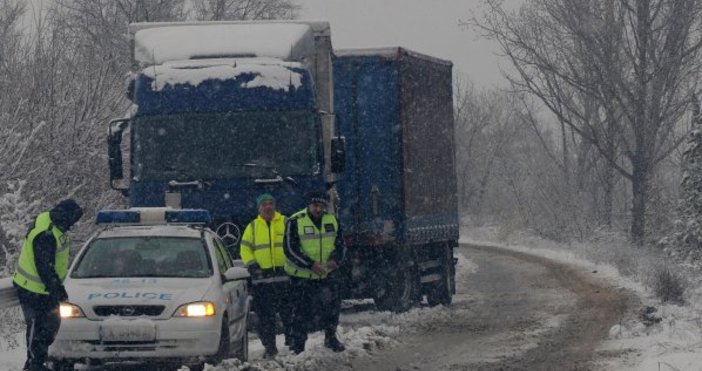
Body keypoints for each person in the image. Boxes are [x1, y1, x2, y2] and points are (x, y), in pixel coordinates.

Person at [13, 199, 83, 371]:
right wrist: (57, 289)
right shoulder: (47, 234)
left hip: (44, 288)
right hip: (31, 288)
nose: (73, 226)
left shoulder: (51, 222)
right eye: (73, 221)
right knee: (38, 327)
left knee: (50, 325)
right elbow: (45, 267)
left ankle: (38, 362)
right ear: (66, 218)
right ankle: (34, 364)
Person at [284, 191, 347, 354]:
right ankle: (298, 344)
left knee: (332, 307)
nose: (318, 209)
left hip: (326, 274)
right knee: (300, 311)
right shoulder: (295, 221)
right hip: (302, 276)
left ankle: (331, 337)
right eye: (315, 205)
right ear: (308, 205)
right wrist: (310, 265)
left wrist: (335, 260)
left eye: (321, 206)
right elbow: (290, 250)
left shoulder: (332, 220)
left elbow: (341, 245)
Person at [239, 193, 292, 358]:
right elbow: (245, 248)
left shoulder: (285, 222)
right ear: (259, 208)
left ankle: (293, 344)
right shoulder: (253, 227)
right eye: (264, 205)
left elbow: (295, 244)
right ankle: (270, 347)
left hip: (285, 279)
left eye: (271, 203)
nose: (268, 207)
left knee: (290, 315)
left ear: (275, 206)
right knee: (265, 318)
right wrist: (252, 264)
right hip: (262, 282)